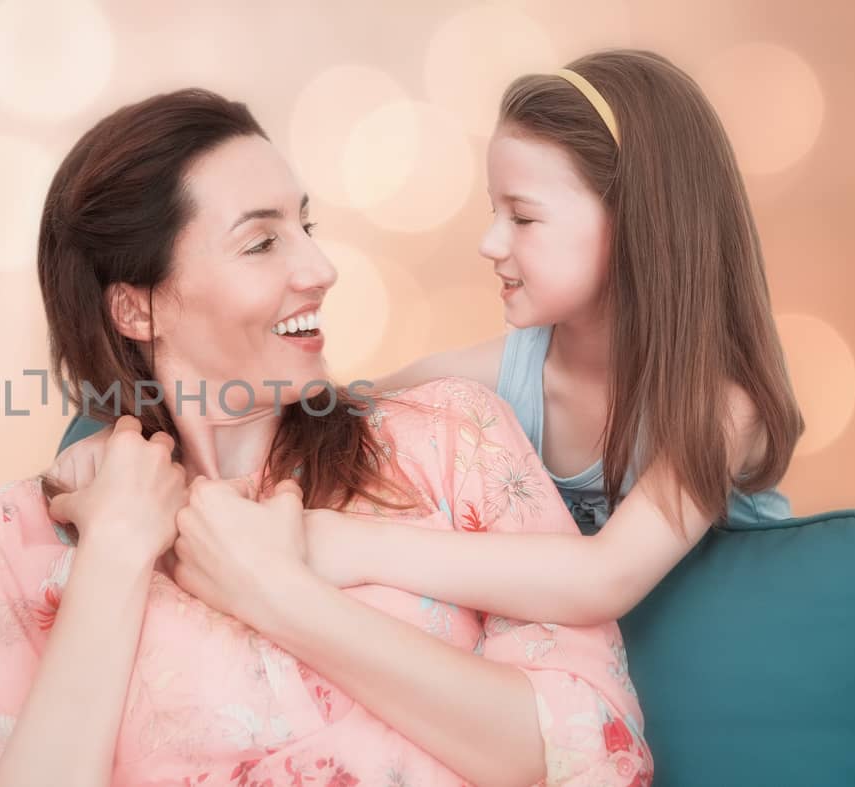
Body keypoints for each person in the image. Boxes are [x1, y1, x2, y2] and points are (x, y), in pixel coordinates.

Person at [0, 87, 652, 787]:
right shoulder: (15, 540)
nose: (321, 268)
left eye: (307, 227)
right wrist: (113, 554)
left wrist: (278, 593)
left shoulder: (452, 442)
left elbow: (593, 748)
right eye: (262, 242)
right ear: (135, 308)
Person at [56, 49, 804, 627]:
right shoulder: (494, 379)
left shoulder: (722, 410)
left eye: (524, 216)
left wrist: (327, 544)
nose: (488, 242)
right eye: (492, 209)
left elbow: (602, 578)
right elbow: (312, 410)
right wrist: (122, 433)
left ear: (640, 224)